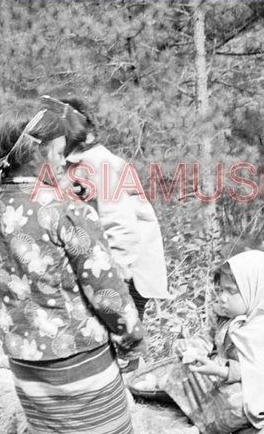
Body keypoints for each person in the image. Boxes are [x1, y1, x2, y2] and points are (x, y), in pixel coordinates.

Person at [0, 99, 160, 434]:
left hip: (25, 361)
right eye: (63, 145)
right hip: (80, 355)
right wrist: (132, 341)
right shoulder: (65, 211)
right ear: (45, 148)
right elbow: (107, 291)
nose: (68, 154)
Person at [140, 250, 264, 434]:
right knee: (177, 373)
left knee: (237, 404)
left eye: (231, 291)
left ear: (256, 291)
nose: (222, 298)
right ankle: (205, 421)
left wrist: (221, 371)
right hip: (219, 376)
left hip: (251, 390)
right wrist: (190, 348)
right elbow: (207, 339)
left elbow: (262, 375)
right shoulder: (224, 315)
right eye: (219, 290)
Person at [40, 94, 170, 324]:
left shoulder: (100, 163)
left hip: (130, 268)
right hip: (102, 263)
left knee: (123, 331)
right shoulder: (70, 163)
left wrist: (116, 273)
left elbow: (120, 225)